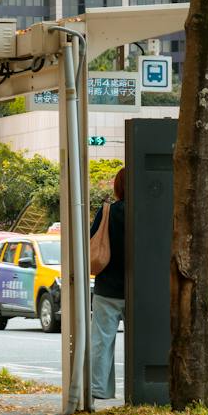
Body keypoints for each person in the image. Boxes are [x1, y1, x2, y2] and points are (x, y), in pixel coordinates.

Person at [87, 167, 128, 402]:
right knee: (142, 341)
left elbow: (93, 240)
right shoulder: (146, 212)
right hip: (138, 289)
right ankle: (140, 389)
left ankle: (99, 389)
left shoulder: (108, 212)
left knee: (102, 341)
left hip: (107, 289)